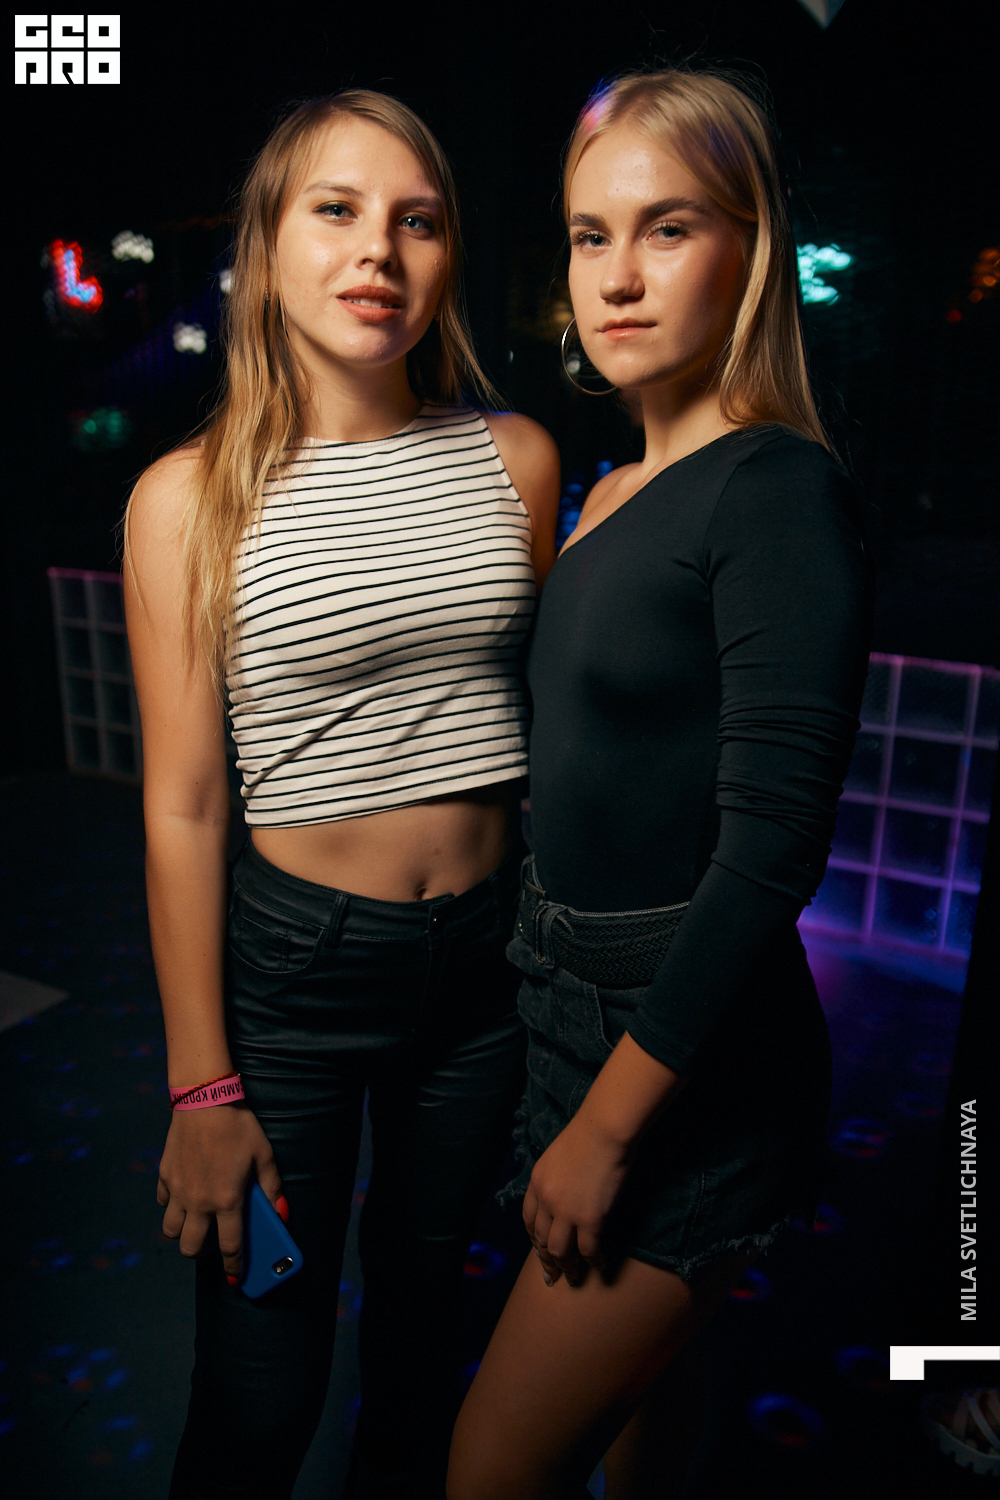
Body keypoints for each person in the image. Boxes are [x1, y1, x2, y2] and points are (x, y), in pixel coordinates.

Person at [123, 90, 559, 1500]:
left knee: (426, 1354)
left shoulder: (516, 459)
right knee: (262, 1386)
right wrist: (203, 1085)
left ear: (447, 258)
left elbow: (538, 729)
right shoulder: (187, 499)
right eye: (338, 209)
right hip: (296, 985)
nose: (380, 247)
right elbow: (185, 806)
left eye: (416, 219)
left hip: (485, 976)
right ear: (265, 248)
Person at [447, 67, 873, 1500]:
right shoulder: (615, 487)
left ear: (751, 249)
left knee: (489, 1471)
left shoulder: (776, 491)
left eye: (668, 228)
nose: (616, 278)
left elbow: (772, 850)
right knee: (641, 1442)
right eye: (590, 235)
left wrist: (609, 1127)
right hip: (566, 1000)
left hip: (682, 1055)